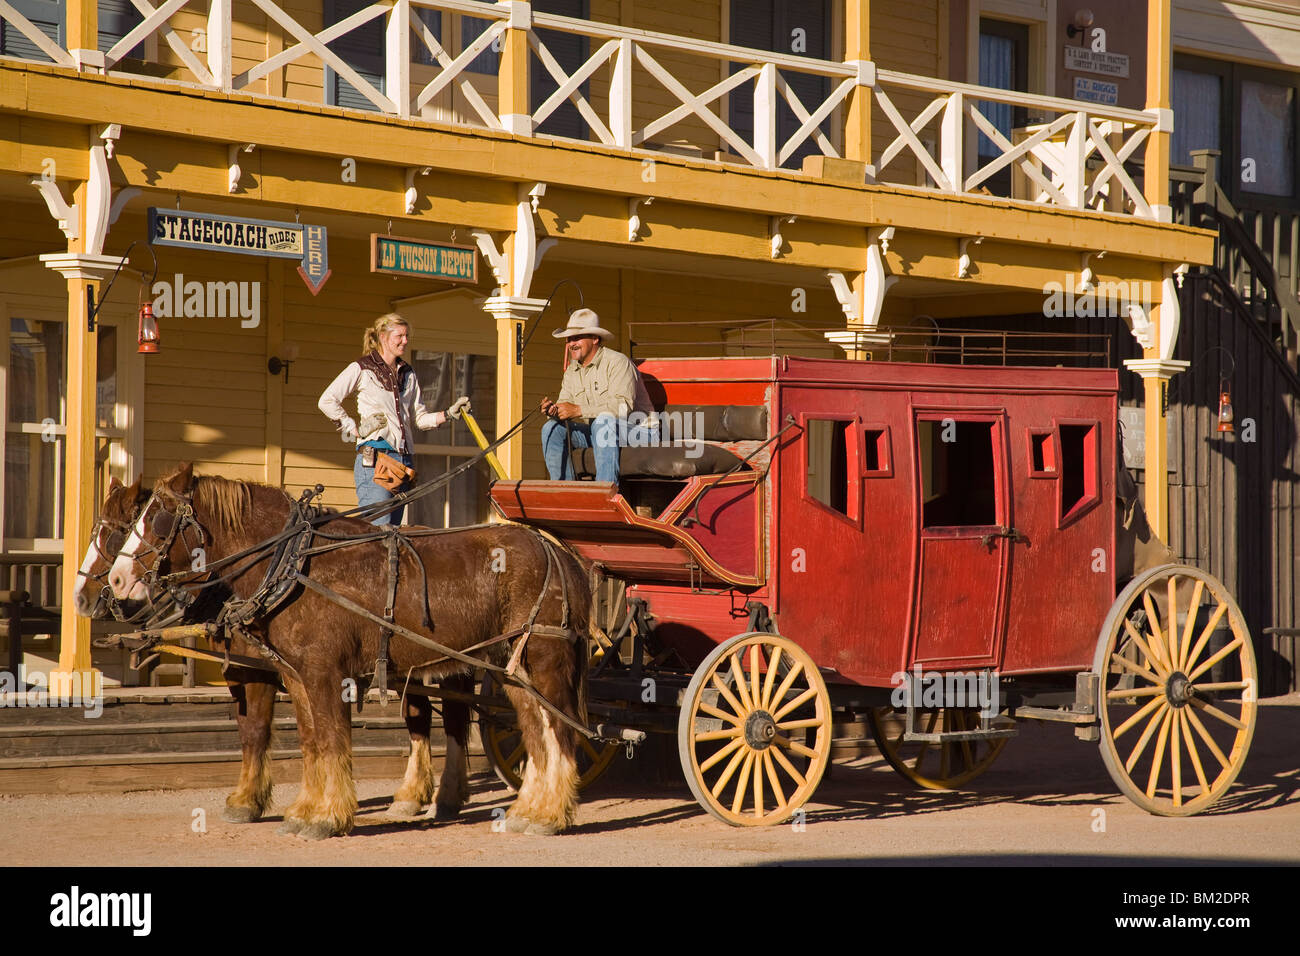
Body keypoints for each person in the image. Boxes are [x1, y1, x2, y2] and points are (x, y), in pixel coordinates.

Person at [318, 312, 469, 526]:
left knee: (393, 534)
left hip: (404, 461)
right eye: (399, 336)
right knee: (378, 532)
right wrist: (354, 428)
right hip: (377, 458)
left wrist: (448, 414)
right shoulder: (362, 368)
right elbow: (327, 400)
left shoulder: (408, 373)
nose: (405, 341)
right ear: (383, 337)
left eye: (406, 336)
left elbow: (420, 418)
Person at [540, 308, 655, 485]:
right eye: (569, 339)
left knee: (603, 423)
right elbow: (566, 405)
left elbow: (623, 408)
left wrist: (578, 410)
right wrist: (554, 410)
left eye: (577, 337)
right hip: (599, 431)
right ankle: (567, 492)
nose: (571, 343)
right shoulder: (572, 370)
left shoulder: (618, 362)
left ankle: (604, 494)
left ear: (595, 339)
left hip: (640, 432)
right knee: (551, 429)